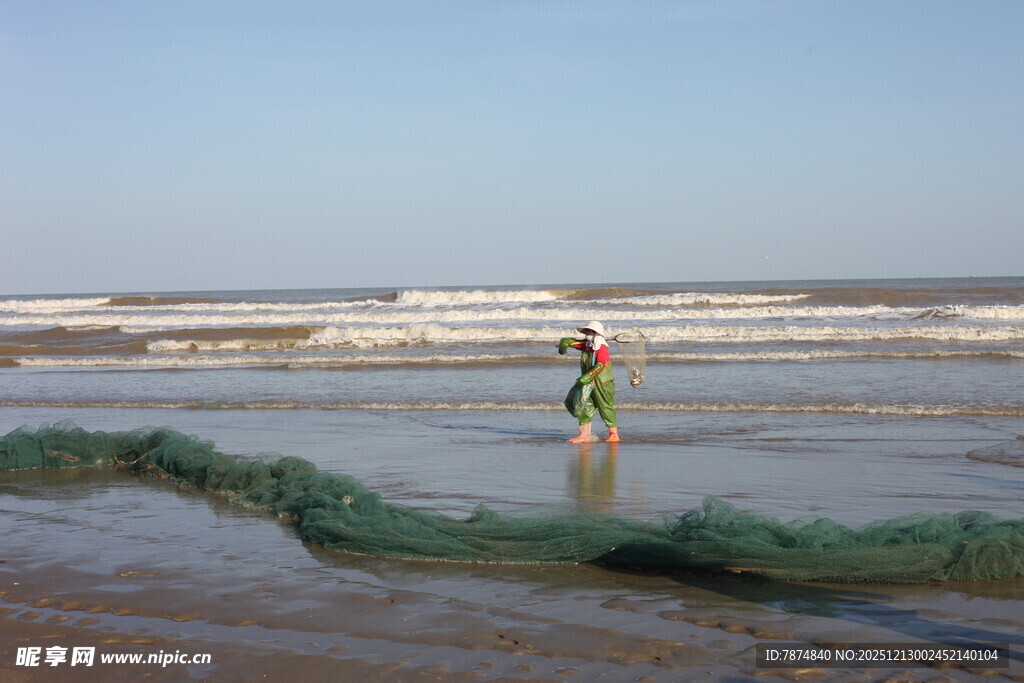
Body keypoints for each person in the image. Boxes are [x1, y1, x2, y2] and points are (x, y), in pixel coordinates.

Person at [557, 321, 620, 443]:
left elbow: (600, 365)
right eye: (586, 332)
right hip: (590, 384)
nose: (586, 334)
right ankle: (584, 435)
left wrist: (586, 377)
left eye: (589, 332)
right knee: (585, 407)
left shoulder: (601, 347)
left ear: (596, 333)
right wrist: (567, 341)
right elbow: (577, 344)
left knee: (605, 408)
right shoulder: (589, 345)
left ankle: (614, 434)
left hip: (603, 384)